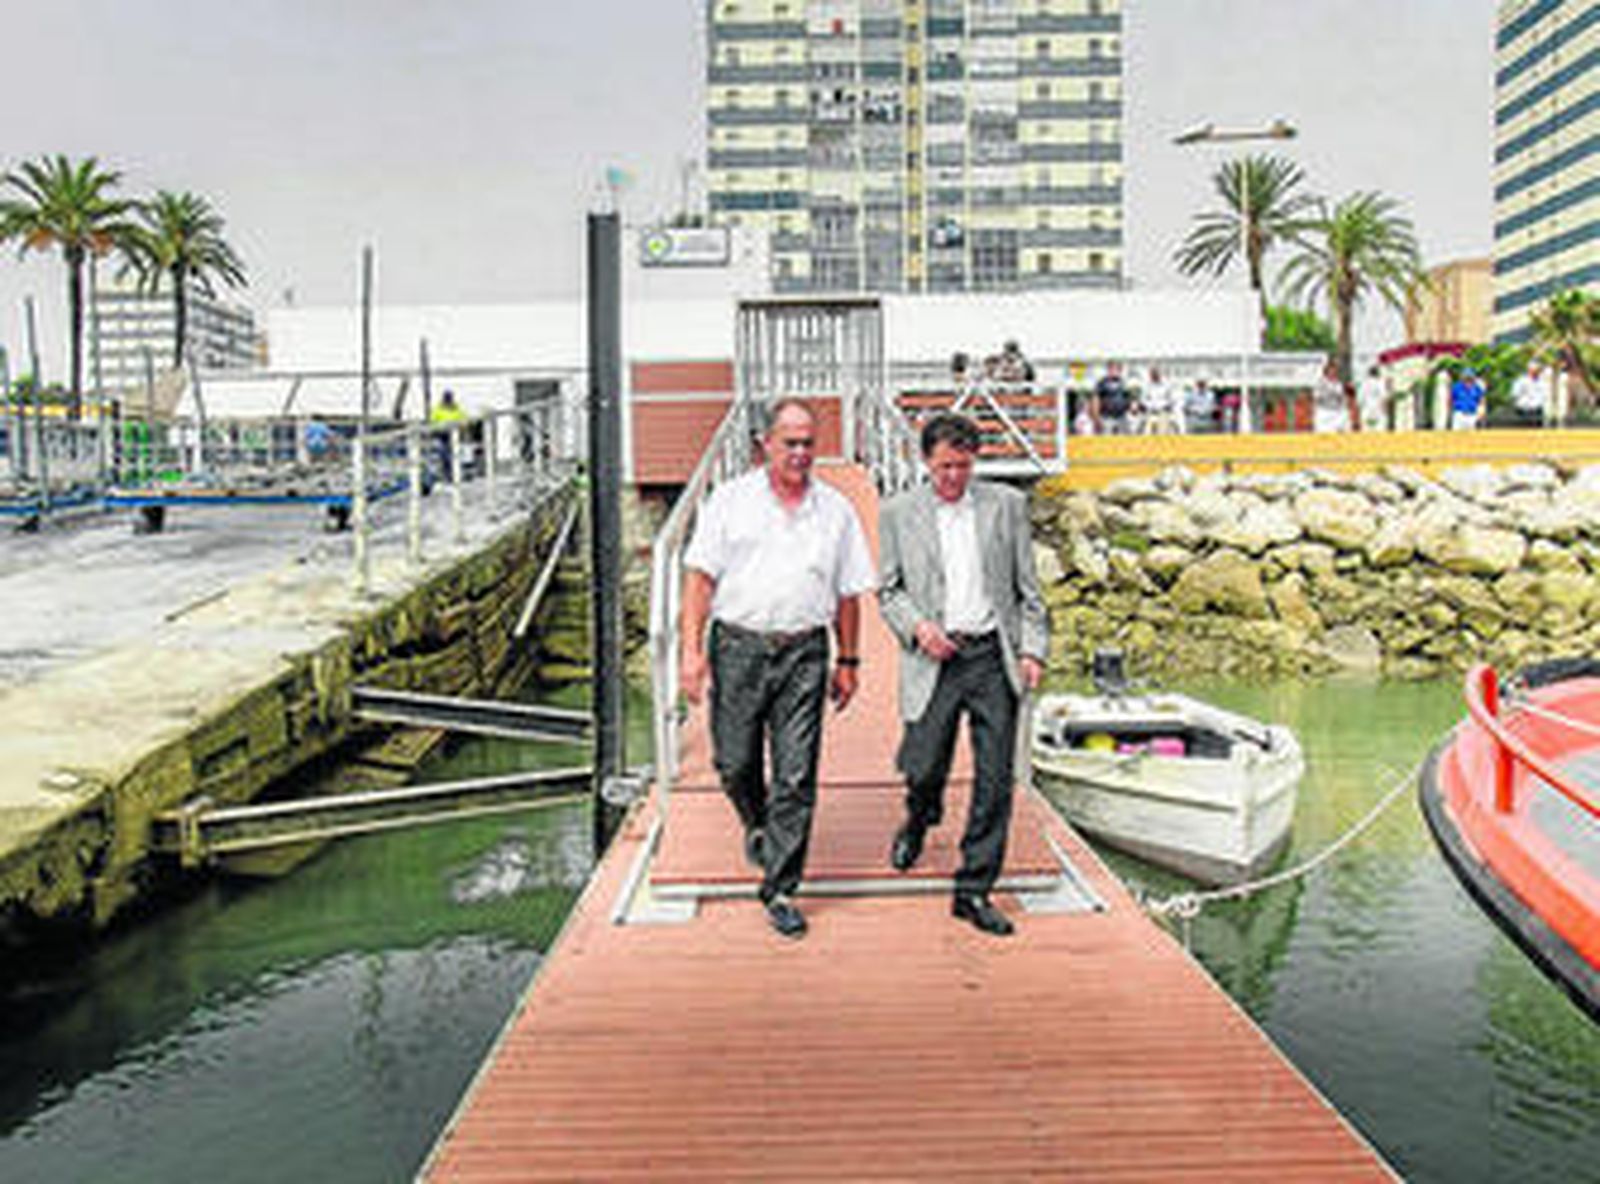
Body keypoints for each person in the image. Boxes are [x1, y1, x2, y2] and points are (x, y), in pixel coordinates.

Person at [679, 397, 875, 940]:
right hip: (738, 647)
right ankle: (758, 823)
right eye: (789, 442)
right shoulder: (729, 502)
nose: (800, 452)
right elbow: (699, 579)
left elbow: (848, 593)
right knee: (734, 763)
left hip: (804, 653)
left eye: (809, 442)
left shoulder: (836, 511)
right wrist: (691, 653)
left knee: (796, 774)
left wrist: (850, 660)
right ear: (765, 443)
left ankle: (781, 887)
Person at [877, 413, 1049, 937]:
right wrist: (918, 628)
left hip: (991, 656)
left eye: (964, 466)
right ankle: (919, 815)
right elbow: (888, 591)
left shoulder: (1007, 507)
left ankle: (973, 889)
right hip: (934, 656)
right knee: (924, 764)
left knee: (996, 778)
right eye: (945, 466)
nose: (954, 476)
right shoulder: (897, 512)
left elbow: (1028, 592)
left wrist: (1032, 650)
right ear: (926, 461)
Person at [431, 389, 468, 475]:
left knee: (455, 453)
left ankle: (456, 472)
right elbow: (433, 421)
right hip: (442, 435)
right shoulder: (438, 409)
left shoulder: (456, 409)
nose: (448, 401)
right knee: (444, 454)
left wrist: (462, 426)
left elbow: (464, 419)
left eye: (449, 399)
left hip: (455, 434)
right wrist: (438, 427)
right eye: (446, 399)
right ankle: (447, 472)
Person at [1093, 361, 1133, 435]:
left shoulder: (1123, 383)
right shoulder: (1102, 383)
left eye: (1118, 369)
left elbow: (1128, 399)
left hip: (1122, 417)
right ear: (1109, 369)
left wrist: (1131, 408)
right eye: (1112, 368)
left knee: (1128, 438)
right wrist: (1096, 418)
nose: (1115, 371)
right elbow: (1096, 400)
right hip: (1107, 418)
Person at [1312, 358, 1350, 434]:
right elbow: (1316, 397)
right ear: (1326, 371)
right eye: (1331, 370)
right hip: (1324, 413)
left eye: (1335, 370)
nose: (1333, 372)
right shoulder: (1320, 383)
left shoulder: (1339, 384)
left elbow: (1343, 399)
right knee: (1323, 439)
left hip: (1338, 413)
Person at [1141, 366, 1181, 434]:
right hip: (1150, 412)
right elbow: (1143, 399)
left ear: (1159, 374)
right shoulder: (1147, 385)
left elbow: (1172, 398)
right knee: (1148, 434)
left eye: (1155, 373)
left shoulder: (1167, 384)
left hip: (1163, 412)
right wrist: (1148, 405)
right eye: (1151, 374)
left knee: (1162, 434)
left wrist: (1166, 404)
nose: (1153, 376)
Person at [1511, 360, 1545, 427]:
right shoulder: (1521, 380)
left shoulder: (1541, 381)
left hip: (1537, 409)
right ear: (1530, 370)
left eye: (1538, 370)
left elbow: (1543, 395)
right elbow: (1515, 394)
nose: (1537, 372)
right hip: (1524, 409)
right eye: (1535, 370)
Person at [1357, 365, 1387, 432]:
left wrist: (1359, 410)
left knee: (1366, 429)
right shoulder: (1380, 383)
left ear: (1369, 374)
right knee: (1379, 429)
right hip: (1378, 408)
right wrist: (1384, 411)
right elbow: (1383, 397)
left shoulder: (1363, 383)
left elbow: (1360, 399)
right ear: (1377, 374)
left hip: (1367, 408)